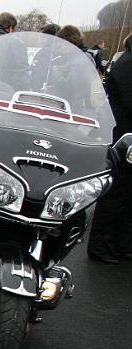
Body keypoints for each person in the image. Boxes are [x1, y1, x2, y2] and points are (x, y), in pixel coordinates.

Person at [88, 33, 132, 263]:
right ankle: (101, 244)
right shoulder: (127, 64)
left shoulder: (125, 61)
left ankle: (121, 243)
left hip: (125, 137)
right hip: (122, 139)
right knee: (116, 193)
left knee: (126, 194)